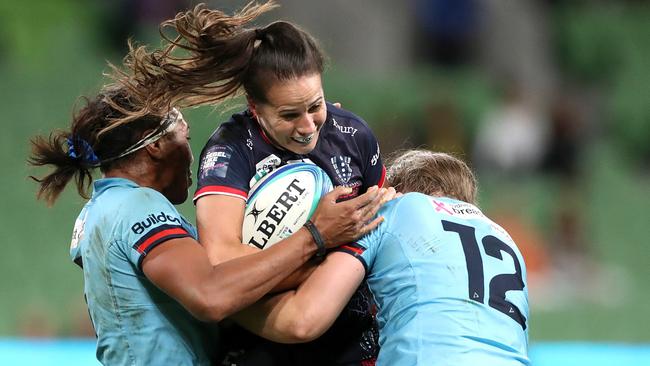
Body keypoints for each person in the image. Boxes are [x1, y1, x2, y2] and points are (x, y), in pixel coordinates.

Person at [27, 86, 389, 365]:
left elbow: (228, 293)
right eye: (184, 137)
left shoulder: (103, 208)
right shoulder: (137, 205)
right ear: (155, 146)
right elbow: (212, 297)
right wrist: (316, 236)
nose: (191, 153)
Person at [114, 2, 386, 364]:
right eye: (289, 114)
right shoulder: (229, 151)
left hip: (353, 348)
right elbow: (221, 262)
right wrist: (319, 242)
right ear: (255, 108)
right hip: (261, 349)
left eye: (315, 106)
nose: (308, 127)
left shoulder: (353, 133)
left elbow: (382, 225)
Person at [235, 150, 531, 366]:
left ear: (392, 192)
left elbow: (302, 320)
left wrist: (229, 304)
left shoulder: (394, 209)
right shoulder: (507, 239)